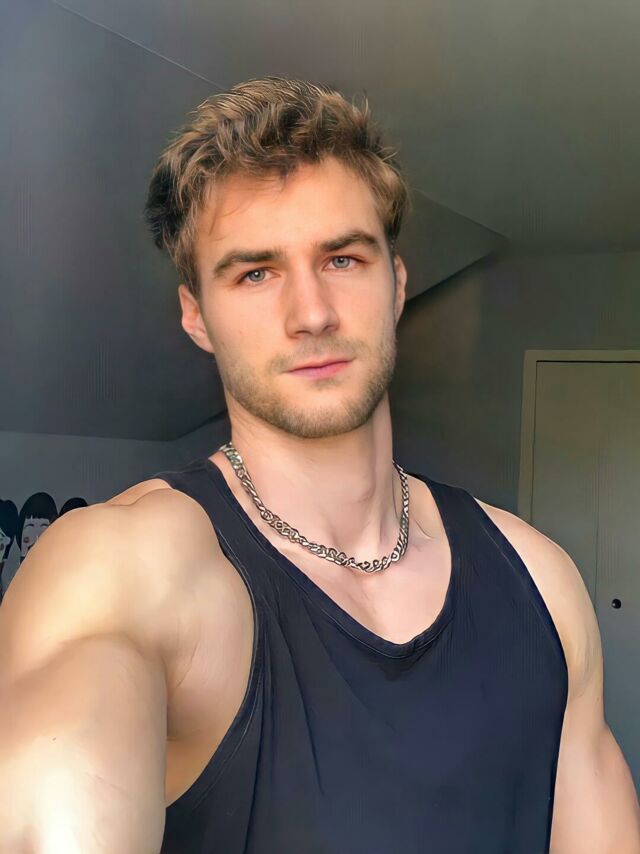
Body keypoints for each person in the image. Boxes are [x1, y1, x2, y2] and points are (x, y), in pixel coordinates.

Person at [0, 77, 638, 854]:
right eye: (255, 273)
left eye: (342, 259)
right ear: (196, 316)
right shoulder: (120, 570)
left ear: (395, 283)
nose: (311, 314)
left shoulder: (543, 583)